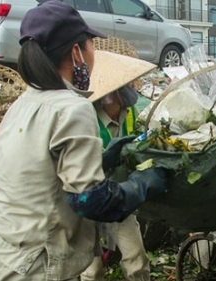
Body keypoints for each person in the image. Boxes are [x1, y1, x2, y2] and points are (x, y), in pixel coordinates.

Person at [0, 1, 167, 280]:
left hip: (3, 255)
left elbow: (44, 173)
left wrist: (102, 159)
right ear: (76, 52)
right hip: (36, 267)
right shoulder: (72, 107)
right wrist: (142, 185)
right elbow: (90, 201)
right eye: (92, 45)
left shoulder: (23, 103)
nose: (94, 55)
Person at [81, 50, 156, 281]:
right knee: (91, 269)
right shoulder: (85, 119)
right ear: (106, 95)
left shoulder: (130, 111)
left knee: (137, 259)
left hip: (119, 194)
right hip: (89, 197)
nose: (130, 91)